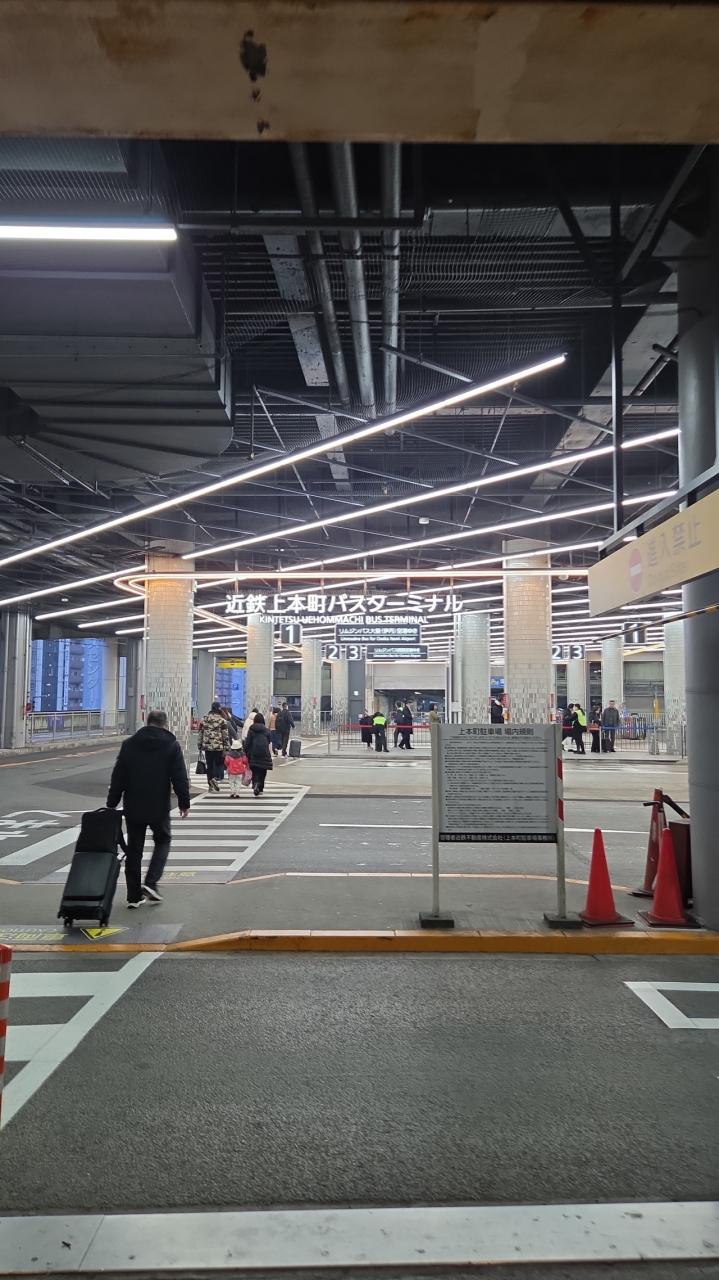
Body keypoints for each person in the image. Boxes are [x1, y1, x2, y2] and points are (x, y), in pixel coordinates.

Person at [106, 708, 190, 908]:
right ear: (164, 724)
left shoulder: (129, 744)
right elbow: (179, 776)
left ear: (147, 721)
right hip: (158, 805)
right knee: (163, 840)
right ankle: (151, 882)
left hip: (133, 804)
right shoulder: (171, 745)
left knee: (134, 849)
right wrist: (184, 802)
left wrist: (111, 803)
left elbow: (118, 776)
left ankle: (133, 896)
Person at [198, 700, 230, 792]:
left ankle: (210, 784)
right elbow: (225, 735)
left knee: (210, 765)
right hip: (218, 746)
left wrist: (199, 745)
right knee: (219, 763)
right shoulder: (222, 721)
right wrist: (227, 748)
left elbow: (200, 733)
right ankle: (215, 778)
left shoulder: (204, 719)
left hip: (207, 746)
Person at [244, 712, 273, 796]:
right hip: (264, 754)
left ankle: (255, 783)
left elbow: (247, 743)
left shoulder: (251, 730)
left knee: (255, 770)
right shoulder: (267, 730)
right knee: (263, 771)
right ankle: (260, 787)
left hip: (254, 754)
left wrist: (245, 752)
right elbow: (269, 741)